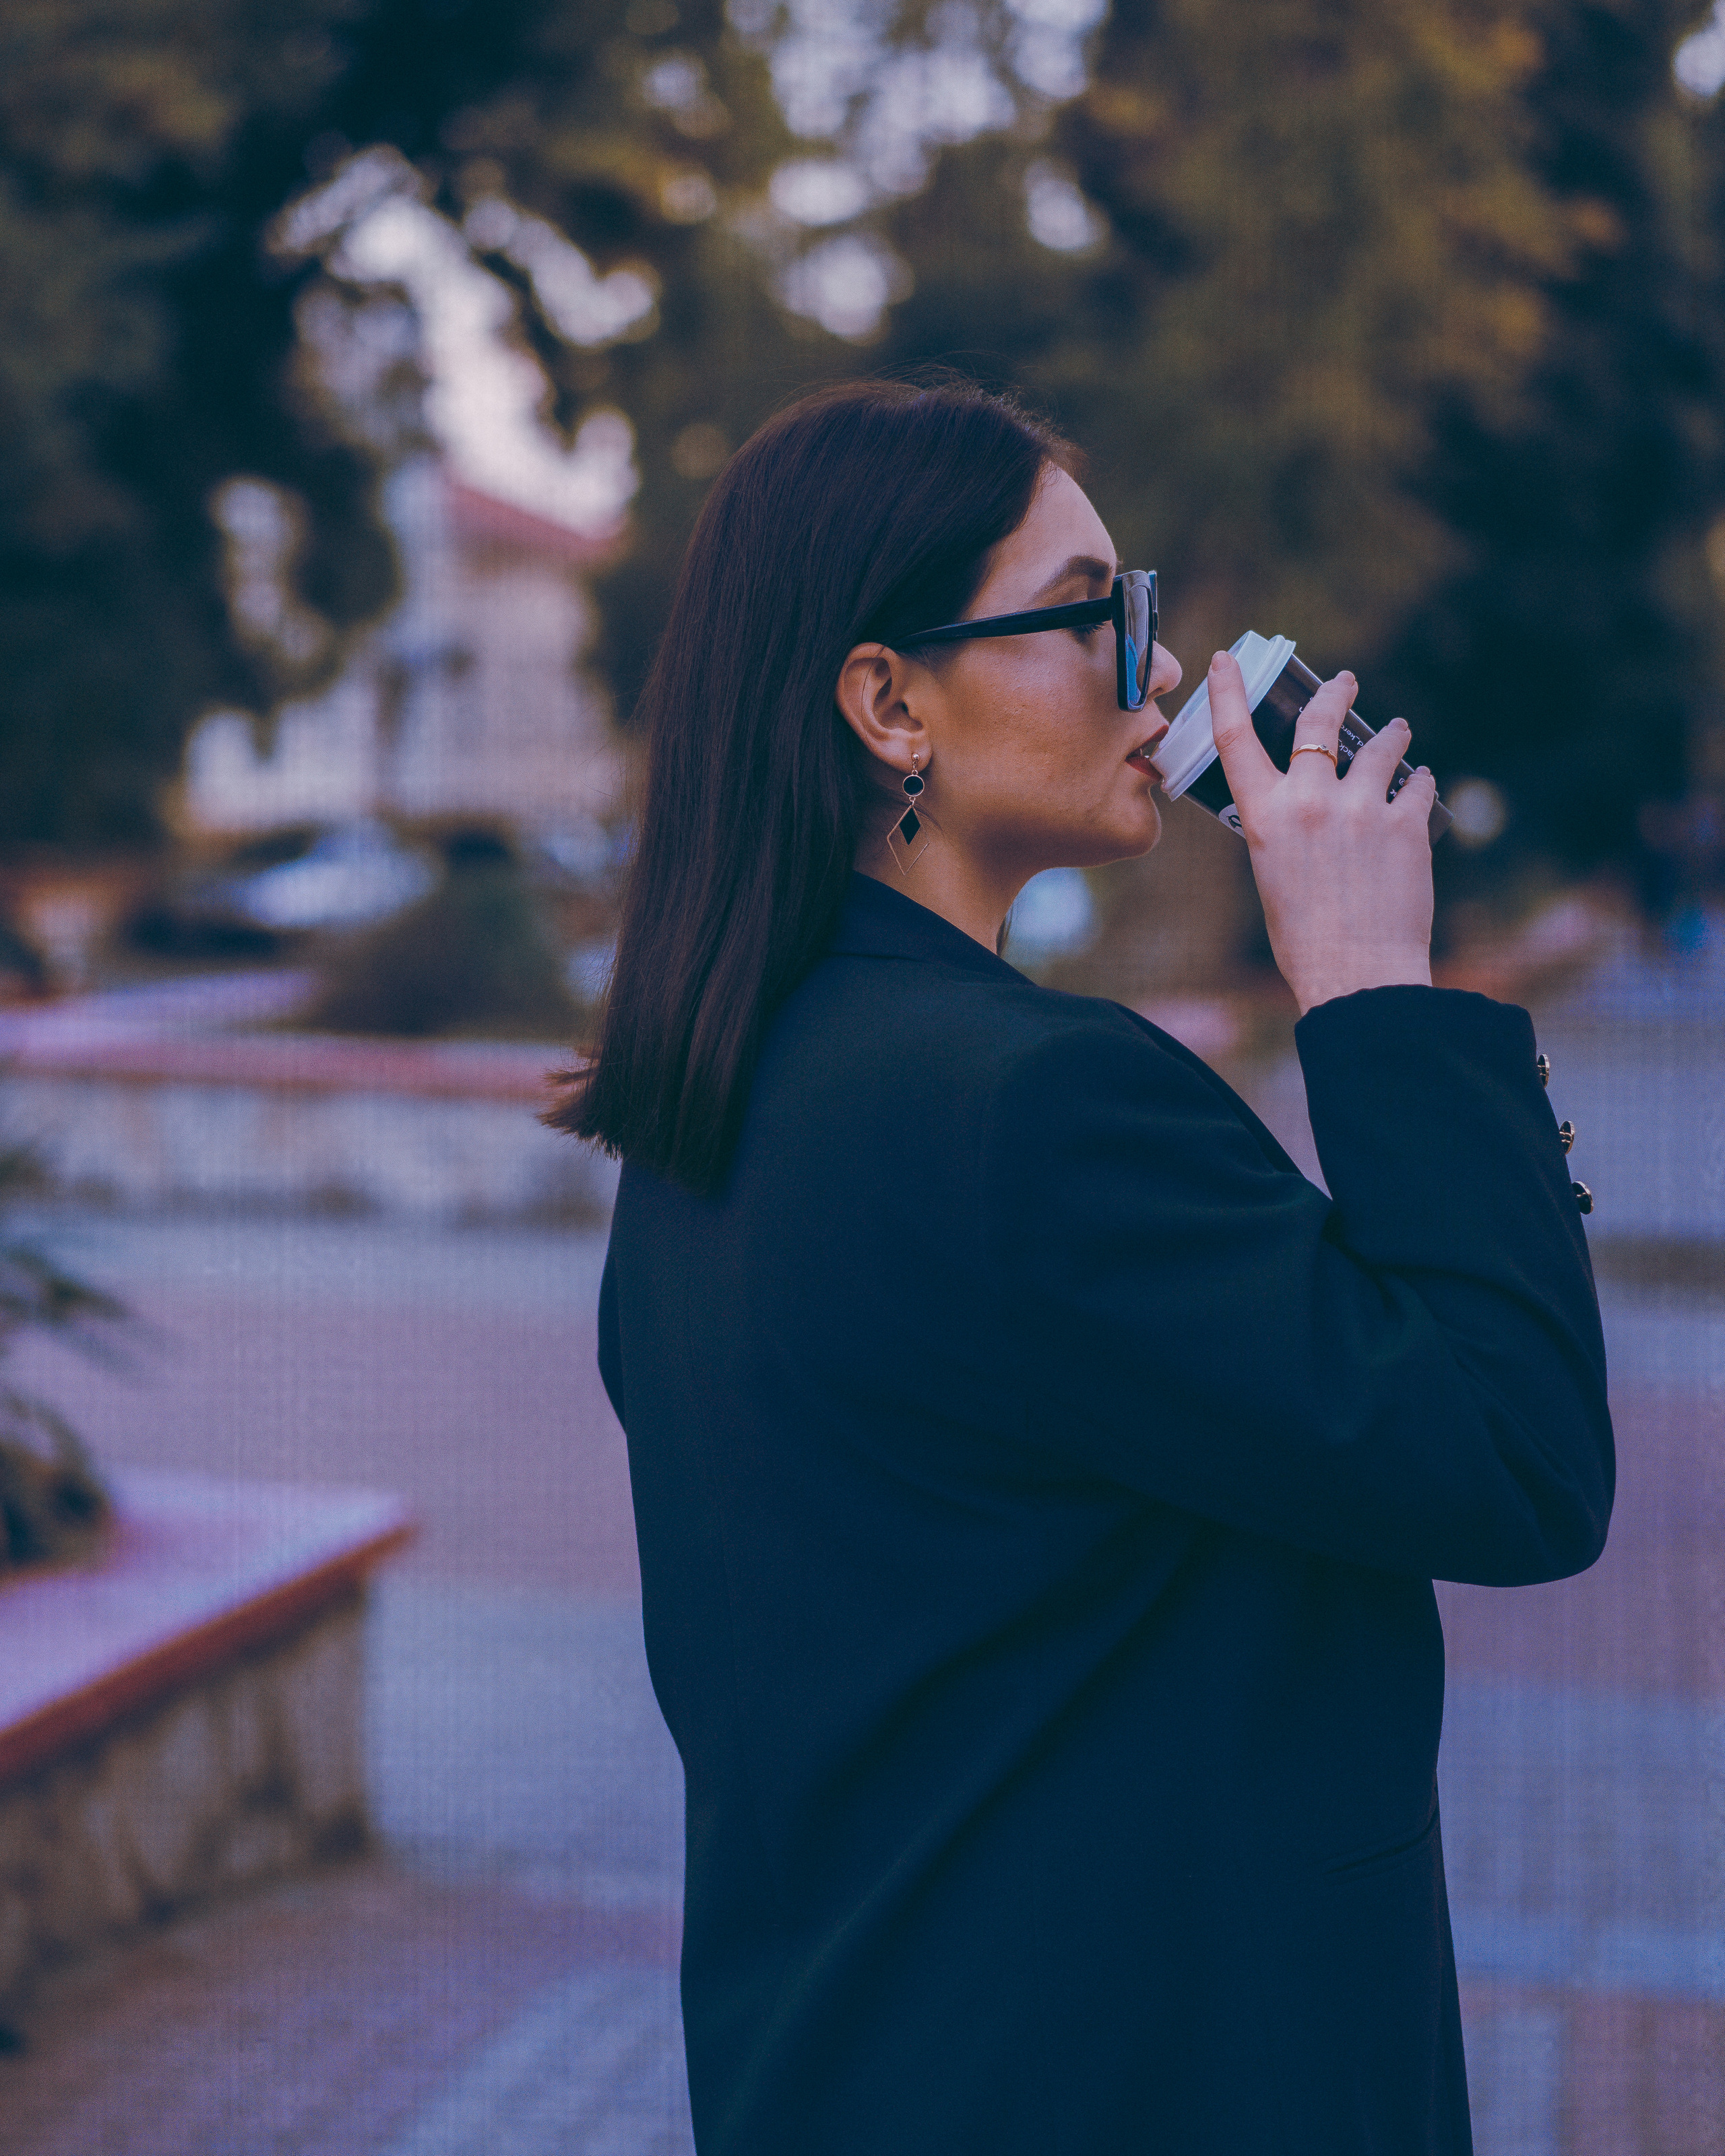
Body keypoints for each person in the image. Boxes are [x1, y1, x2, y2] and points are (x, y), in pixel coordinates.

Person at [555, 378, 1612, 2155]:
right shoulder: (1041, 1106)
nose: (1158, 672)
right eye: (1086, 614)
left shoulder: (713, 1122)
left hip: (857, 2066)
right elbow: (1515, 1461)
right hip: (1141, 2077)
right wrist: (1372, 989)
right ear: (890, 702)